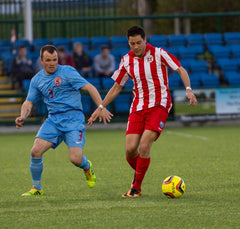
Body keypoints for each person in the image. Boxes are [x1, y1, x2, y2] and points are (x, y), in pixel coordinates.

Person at [88, 26, 197, 198]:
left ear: (145, 40)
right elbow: (117, 87)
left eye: (139, 42)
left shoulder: (159, 53)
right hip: (138, 108)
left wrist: (188, 89)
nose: (136, 46)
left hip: (159, 105)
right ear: (128, 43)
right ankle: (140, 171)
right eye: (132, 43)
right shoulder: (126, 60)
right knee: (130, 150)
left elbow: (180, 69)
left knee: (144, 145)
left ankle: (136, 187)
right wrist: (101, 106)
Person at [15, 44, 112, 196]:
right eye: (48, 60)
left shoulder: (67, 72)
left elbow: (90, 87)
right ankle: (36, 188)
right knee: (35, 151)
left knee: (75, 159)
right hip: (53, 120)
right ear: (41, 60)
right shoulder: (37, 80)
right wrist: (23, 116)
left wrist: (101, 106)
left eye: (55, 59)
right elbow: (28, 102)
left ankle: (87, 167)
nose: (52, 63)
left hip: (73, 119)